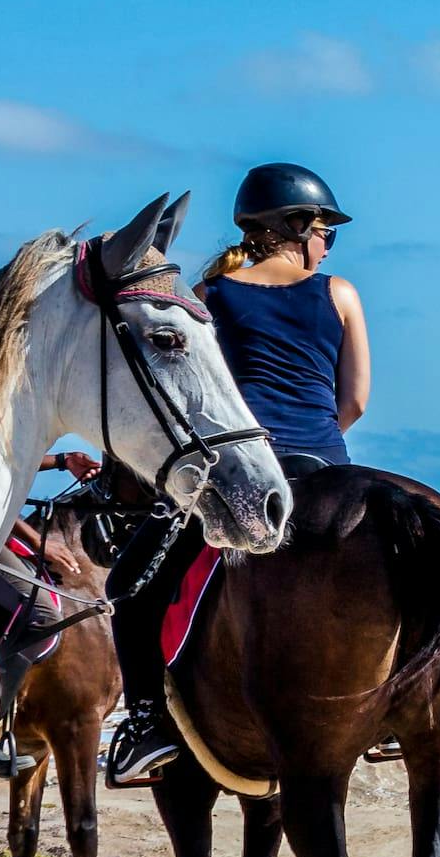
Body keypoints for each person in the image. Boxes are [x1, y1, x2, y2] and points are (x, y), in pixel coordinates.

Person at [101, 159, 364, 785]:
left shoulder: (211, 298)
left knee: (129, 589)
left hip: (234, 476)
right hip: (328, 465)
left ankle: (145, 726)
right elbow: (353, 402)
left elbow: (199, 393)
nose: (327, 245)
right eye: (326, 231)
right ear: (296, 227)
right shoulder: (340, 295)